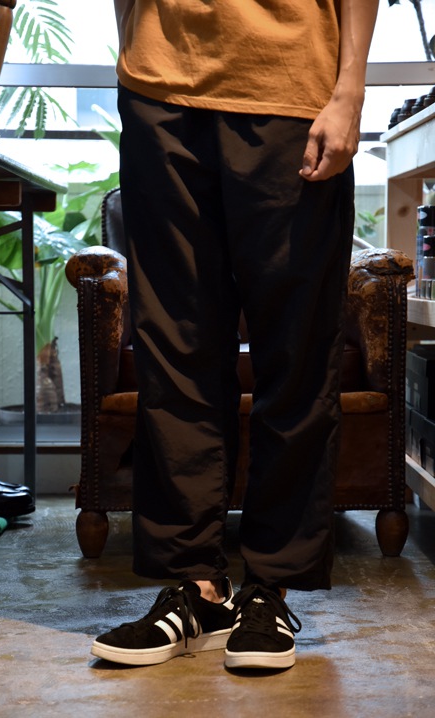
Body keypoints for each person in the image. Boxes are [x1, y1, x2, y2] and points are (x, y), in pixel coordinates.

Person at [91, 0, 379, 671]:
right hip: (160, 89)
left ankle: (270, 588)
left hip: (292, 90)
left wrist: (350, 91)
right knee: (175, 348)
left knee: (296, 348)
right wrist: (135, 51)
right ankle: (196, 591)